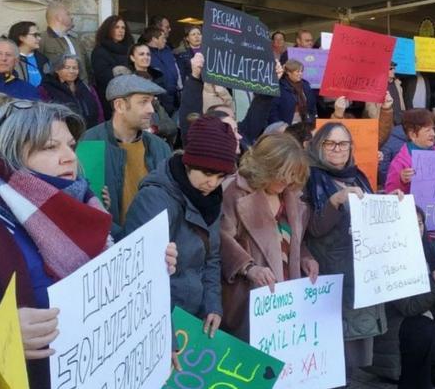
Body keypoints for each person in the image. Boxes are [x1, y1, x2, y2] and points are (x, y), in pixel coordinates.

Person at [0, 101, 113, 387]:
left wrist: (152, 264)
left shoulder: (84, 205)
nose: (69, 158)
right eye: (49, 147)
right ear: (7, 155)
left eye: (71, 146)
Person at [124, 116, 237, 338]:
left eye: (221, 176)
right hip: (160, 322)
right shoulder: (155, 199)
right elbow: (142, 280)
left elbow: (211, 257)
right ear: (188, 163)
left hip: (192, 318)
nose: (213, 183)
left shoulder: (211, 199)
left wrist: (213, 305)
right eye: (207, 173)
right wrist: (165, 335)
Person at [303, 122, 386, 373]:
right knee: (330, 350)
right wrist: (334, 202)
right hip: (329, 273)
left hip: (358, 272)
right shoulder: (307, 177)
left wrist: (390, 201)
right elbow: (311, 229)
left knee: (350, 355)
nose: (337, 149)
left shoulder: (358, 175)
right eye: (330, 143)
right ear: (318, 146)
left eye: (343, 143)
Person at [218, 132, 316, 339]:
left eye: (292, 174)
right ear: (265, 166)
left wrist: (306, 259)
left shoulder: (292, 196)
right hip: (249, 299)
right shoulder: (233, 191)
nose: (287, 180)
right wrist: (248, 267)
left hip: (285, 299)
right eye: (282, 173)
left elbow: (290, 240)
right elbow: (222, 238)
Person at [364, 207, 435, 389]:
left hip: (423, 326)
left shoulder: (427, 250)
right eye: (410, 224)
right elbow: (408, 308)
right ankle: (402, 374)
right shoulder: (388, 258)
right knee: (422, 328)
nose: (418, 229)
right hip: (396, 330)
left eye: (420, 223)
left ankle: (412, 369)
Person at [80, 75, 172, 234]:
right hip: (111, 242)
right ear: (120, 105)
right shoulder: (91, 143)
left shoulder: (160, 147)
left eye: (152, 102)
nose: (151, 109)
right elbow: (88, 209)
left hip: (156, 238)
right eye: (143, 102)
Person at [37, 54, 104, 129]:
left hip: (92, 131)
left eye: (75, 68)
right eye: (67, 67)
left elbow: (100, 112)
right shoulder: (46, 89)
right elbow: (46, 116)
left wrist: (100, 129)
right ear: (57, 69)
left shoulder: (87, 87)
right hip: (65, 133)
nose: (71, 71)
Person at [91, 15, 134, 113]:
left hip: (130, 97)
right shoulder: (99, 51)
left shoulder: (129, 49)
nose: (121, 30)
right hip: (111, 100)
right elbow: (104, 78)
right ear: (108, 29)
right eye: (116, 27)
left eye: (123, 28)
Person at [42, 0, 89, 83]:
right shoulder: (42, 39)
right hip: (56, 88)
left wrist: (89, 87)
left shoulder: (76, 41)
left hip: (82, 89)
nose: (72, 17)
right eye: (68, 14)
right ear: (59, 18)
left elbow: (88, 70)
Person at [141, 26, 181, 114]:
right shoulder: (146, 54)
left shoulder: (167, 50)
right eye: (163, 38)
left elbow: (175, 68)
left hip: (174, 96)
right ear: (154, 39)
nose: (165, 40)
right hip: (159, 98)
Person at [268, 59, 317, 126]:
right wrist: (279, 126)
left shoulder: (306, 85)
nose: (300, 74)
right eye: (297, 71)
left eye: (301, 71)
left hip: (305, 125)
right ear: (288, 72)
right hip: (286, 126)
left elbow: (312, 106)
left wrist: (312, 120)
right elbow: (273, 110)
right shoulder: (280, 87)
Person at [9, 21, 51, 88]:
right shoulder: (9, 60)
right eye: (35, 35)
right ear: (22, 38)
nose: (39, 38)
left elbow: (50, 84)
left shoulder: (43, 59)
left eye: (39, 35)